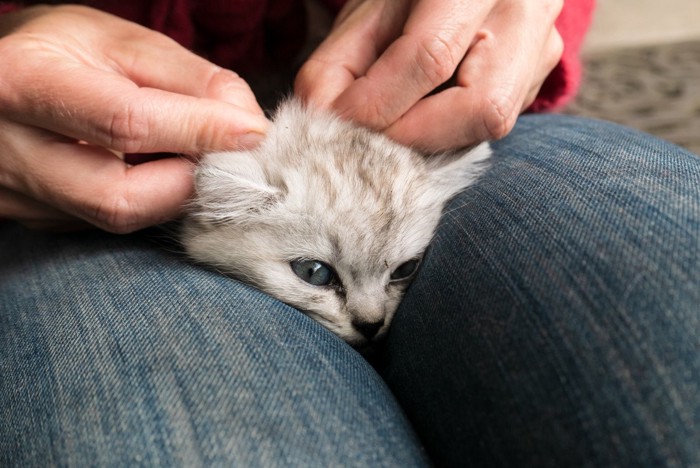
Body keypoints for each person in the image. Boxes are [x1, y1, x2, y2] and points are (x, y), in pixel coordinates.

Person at [1, 1, 698, 466]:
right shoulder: (234, 204)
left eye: (394, 278)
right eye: (318, 274)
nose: (371, 314)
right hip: (89, 174)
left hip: (425, 138)